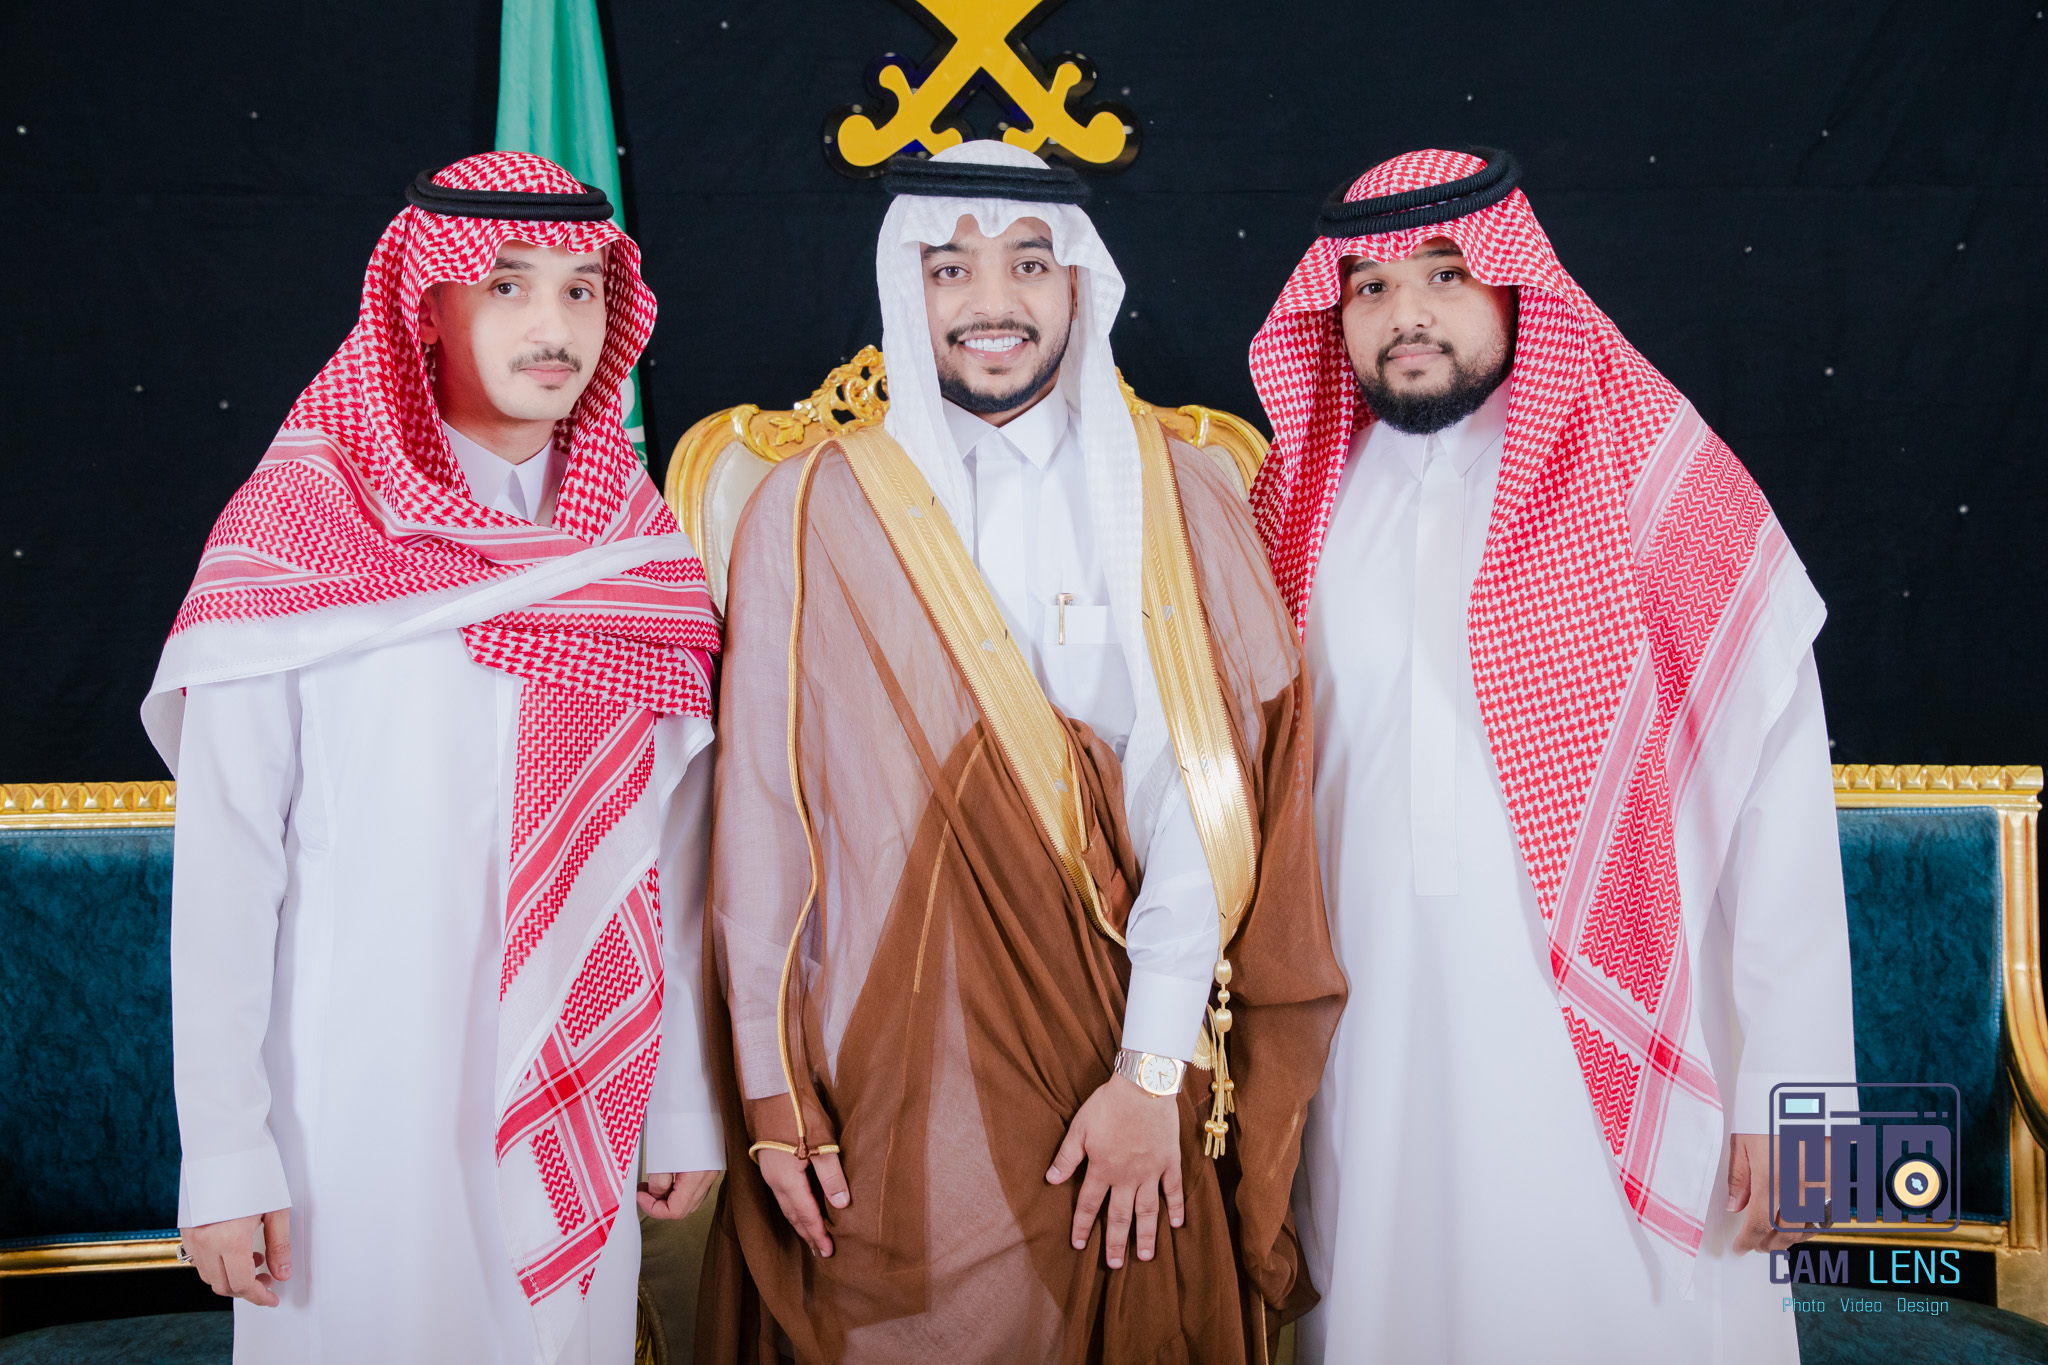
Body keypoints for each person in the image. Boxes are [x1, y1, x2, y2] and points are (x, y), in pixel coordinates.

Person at [695, 140, 1346, 1364]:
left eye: (1028, 263)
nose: (990, 301)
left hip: (1121, 1035)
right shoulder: (813, 503)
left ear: (1079, 282)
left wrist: (1149, 1074)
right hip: (879, 1060)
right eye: (950, 268)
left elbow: (1209, 799)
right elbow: (765, 816)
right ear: (906, 287)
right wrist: (774, 1093)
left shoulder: (1181, 494)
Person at [1246, 147, 1857, 1363]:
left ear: (1514, 281)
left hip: (1617, 1052)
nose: (1405, 313)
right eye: (1369, 286)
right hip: (1371, 1055)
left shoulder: (1653, 479)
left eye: (1443, 274)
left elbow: (1776, 808)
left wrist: (1800, 1109)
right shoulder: (1294, 506)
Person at [144, 152, 725, 1364]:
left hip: (582, 1090)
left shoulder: (639, 563)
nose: (554, 326)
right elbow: (229, 871)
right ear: (424, 306)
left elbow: (670, 867)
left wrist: (677, 1101)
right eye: (507, 285)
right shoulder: (297, 533)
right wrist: (226, 1149)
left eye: (580, 290)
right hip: (347, 1108)